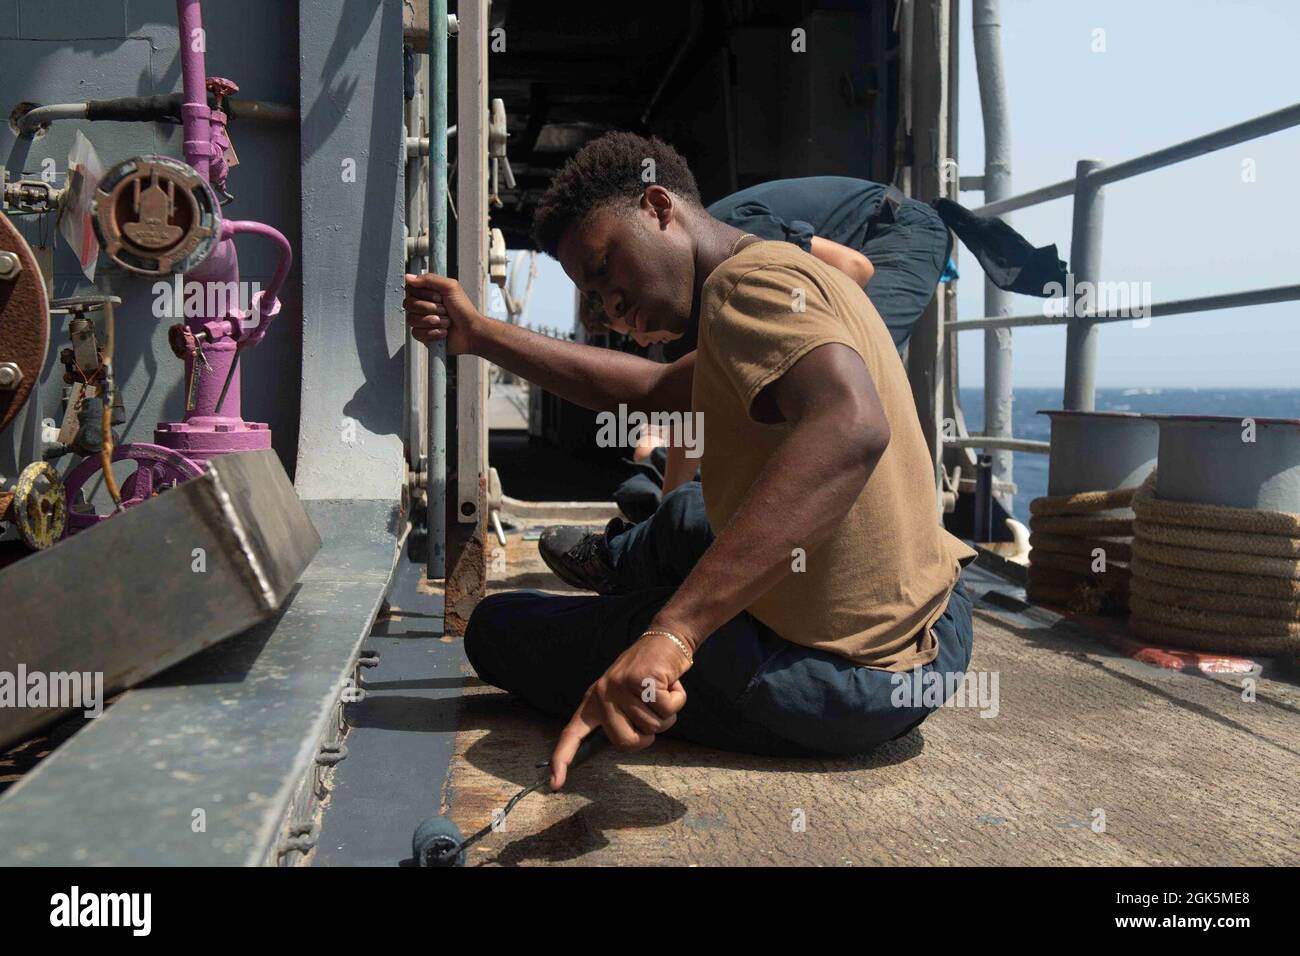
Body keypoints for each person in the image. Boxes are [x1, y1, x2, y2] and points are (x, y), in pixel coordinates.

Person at [405, 131, 976, 787]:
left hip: (839, 683)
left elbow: (849, 426)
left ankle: (645, 591)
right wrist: (481, 334)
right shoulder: (797, 274)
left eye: (604, 271)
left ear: (656, 206)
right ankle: (625, 563)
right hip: (939, 629)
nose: (608, 305)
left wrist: (672, 634)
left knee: (500, 627)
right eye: (592, 297)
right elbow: (647, 389)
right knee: (684, 514)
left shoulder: (744, 286)